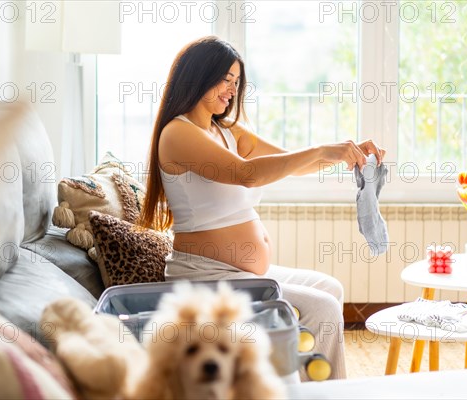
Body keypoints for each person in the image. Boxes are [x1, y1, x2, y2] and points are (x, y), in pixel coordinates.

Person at [139, 36, 385, 381]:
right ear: (198, 76)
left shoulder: (225, 130)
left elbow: (289, 163)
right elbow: (247, 174)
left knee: (330, 288)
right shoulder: (178, 133)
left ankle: (302, 383)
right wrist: (323, 150)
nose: (231, 89)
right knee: (324, 308)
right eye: (225, 78)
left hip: (241, 275)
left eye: (236, 81)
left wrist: (348, 151)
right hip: (205, 276)